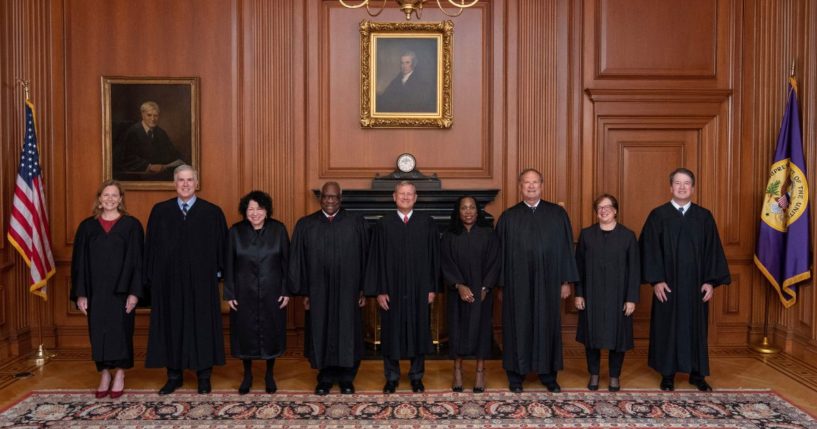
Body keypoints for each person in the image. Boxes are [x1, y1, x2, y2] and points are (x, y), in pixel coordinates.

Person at [640, 168, 731, 392]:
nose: (682, 187)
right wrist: (657, 280)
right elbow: (649, 250)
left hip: (695, 286)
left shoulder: (704, 217)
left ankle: (697, 374)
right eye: (678, 183)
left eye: (687, 183)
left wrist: (710, 281)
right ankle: (667, 374)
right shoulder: (658, 215)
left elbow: (713, 251)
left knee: (696, 327)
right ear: (670, 187)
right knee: (667, 328)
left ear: (693, 187)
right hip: (667, 286)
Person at [144, 165, 228, 395]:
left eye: (190, 180)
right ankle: (174, 376)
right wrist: (152, 280)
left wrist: (218, 276)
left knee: (202, 326)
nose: (185, 184)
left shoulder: (212, 213)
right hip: (168, 284)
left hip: (202, 283)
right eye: (181, 180)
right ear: (174, 183)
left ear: (197, 183)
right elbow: (150, 249)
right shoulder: (160, 212)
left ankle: (203, 376)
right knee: (171, 326)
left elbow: (222, 249)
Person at [496, 168, 579, 393]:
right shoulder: (509, 217)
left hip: (549, 281)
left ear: (542, 185)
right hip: (517, 284)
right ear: (520, 186)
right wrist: (501, 285)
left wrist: (565, 281)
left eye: (535, 182)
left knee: (547, 324)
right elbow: (500, 254)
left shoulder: (557, 214)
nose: (531, 186)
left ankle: (548, 375)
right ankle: (516, 375)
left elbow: (565, 249)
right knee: (517, 325)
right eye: (526, 183)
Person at [289, 182, 368, 395]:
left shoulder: (356, 223)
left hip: (348, 290)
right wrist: (304, 291)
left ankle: (346, 378)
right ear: (320, 198)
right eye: (326, 197)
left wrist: (363, 289)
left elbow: (367, 258)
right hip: (318, 291)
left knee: (347, 332)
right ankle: (324, 378)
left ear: (340, 198)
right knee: (321, 331)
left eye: (334, 197)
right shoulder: (306, 225)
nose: (330, 201)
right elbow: (298, 260)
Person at [70, 180, 143, 399]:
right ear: (99, 198)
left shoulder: (132, 225)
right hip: (95, 291)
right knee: (98, 332)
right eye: (106, 195)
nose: (110, 199)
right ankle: (104, 373)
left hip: (122, 291)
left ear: (121, 199)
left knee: (121, 332)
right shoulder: (87, 227)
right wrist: (81, 293)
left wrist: (134, 292)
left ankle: (120, 373)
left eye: (115, 195)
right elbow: (79, 262)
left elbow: (138, 261)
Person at [364, 181, 440, 394]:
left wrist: (432, 288)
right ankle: (392, 377)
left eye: (410, 194)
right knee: (391, 332)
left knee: (419, 330)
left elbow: (435, 258)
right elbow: (376, 260)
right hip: (391, 289)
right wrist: (380, 290)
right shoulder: (383, 225)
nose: (406, 197)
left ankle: (417, 377)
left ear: (415, 198)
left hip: (420, 288)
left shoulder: (427, 223)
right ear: (394, 197)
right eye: (402, 194)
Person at [224, 190, 290, 395]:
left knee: (271, 332)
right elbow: (228, 265)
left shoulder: (278, 230)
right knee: (245, 333)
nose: (255, 213)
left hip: (273, 292)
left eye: (259, 209)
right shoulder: (235, 232)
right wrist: (230, 293)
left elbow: (287, 263)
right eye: (250, 209)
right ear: (245, 211)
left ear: (267, 211)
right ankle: (248, 374)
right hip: (244, 293)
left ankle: (270, 374)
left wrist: (286, 290)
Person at [574, 194, 640, 392]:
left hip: (619, 296)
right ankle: (593, 374)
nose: (603, 210)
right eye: (599, 208)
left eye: (607, 207)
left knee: (617, 339)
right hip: (591, 296)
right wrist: (579, 293)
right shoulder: (586, 235)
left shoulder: (628, 236)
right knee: (591, 337)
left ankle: (614, 376)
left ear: (615, 210)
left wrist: (631, 298)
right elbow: (579, 268)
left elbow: (634, 270)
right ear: (596, 212)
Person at [440, 196, 500, 393]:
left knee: (481, 331)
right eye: (463, 208)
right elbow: (445, 263)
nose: (468, 211)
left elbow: (495, 262)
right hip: (457, 292)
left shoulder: (488, 234)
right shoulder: (449, 235)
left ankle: (480, 372)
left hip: (482, 291)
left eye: (471, 208)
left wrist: (485, 288)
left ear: (477, 210)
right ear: (458, 211)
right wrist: (459, 285)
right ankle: (457, 371)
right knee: (457, 330)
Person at [117, 101, 185, 180]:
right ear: (142, 115)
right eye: (149, 115)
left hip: (158, 176)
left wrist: (181, 160)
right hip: (138, 177)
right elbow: (127, 158)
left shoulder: (161, 133)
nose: (153, 119)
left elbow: (171, 153)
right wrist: (149, 166)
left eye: (155, 115)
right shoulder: (133, 132)